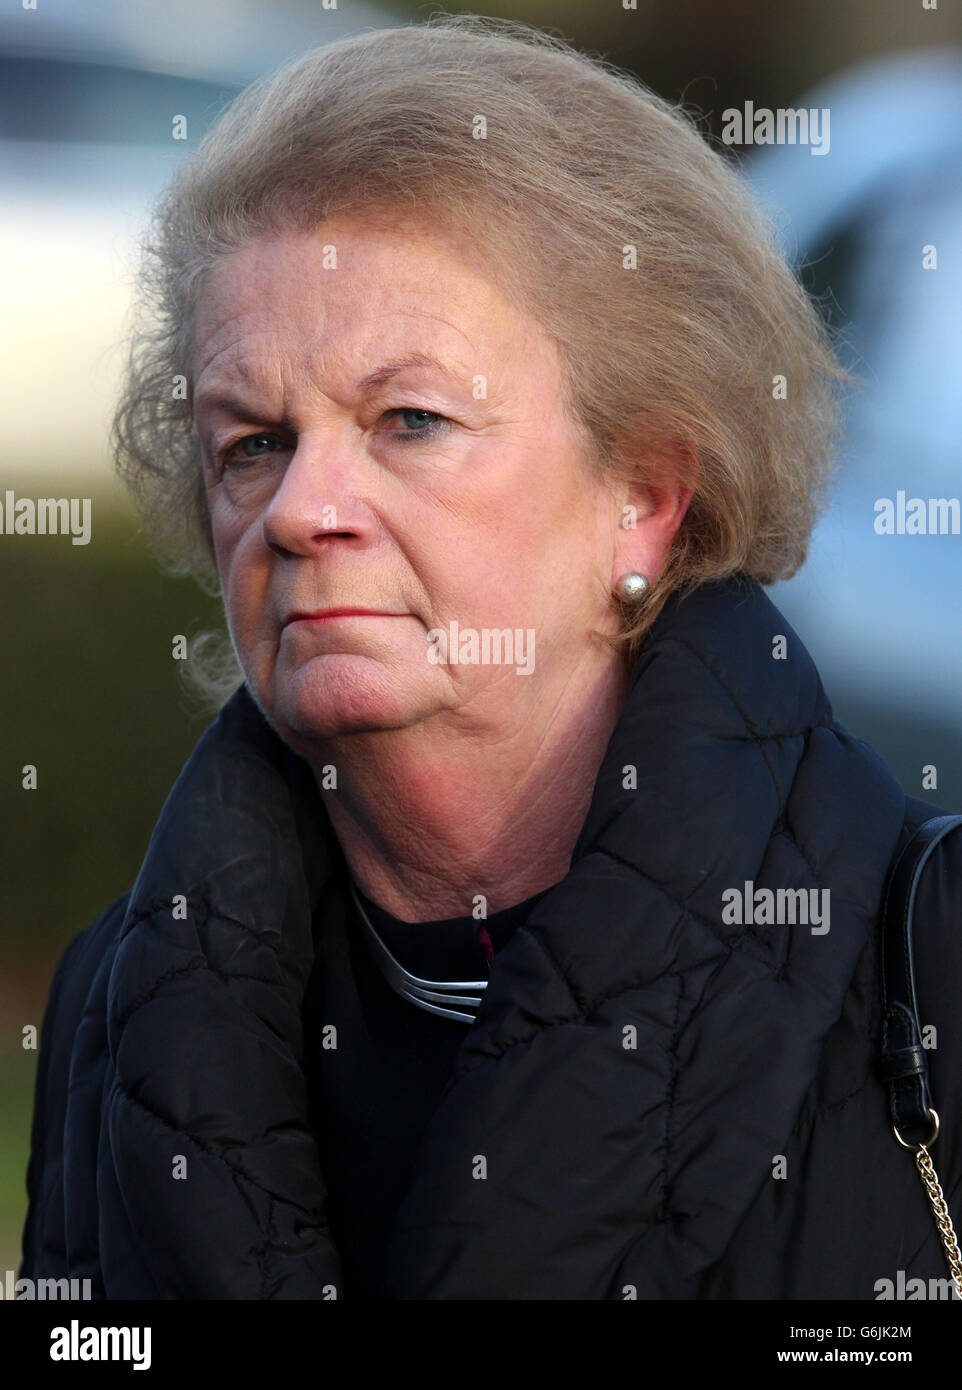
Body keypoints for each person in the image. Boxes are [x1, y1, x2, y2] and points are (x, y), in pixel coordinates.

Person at [19, 14, 962, 1300]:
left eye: (408, 419)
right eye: (250, 442)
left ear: (645, 496)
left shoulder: (928, 958)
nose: (301, 508)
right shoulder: (115, 1004)